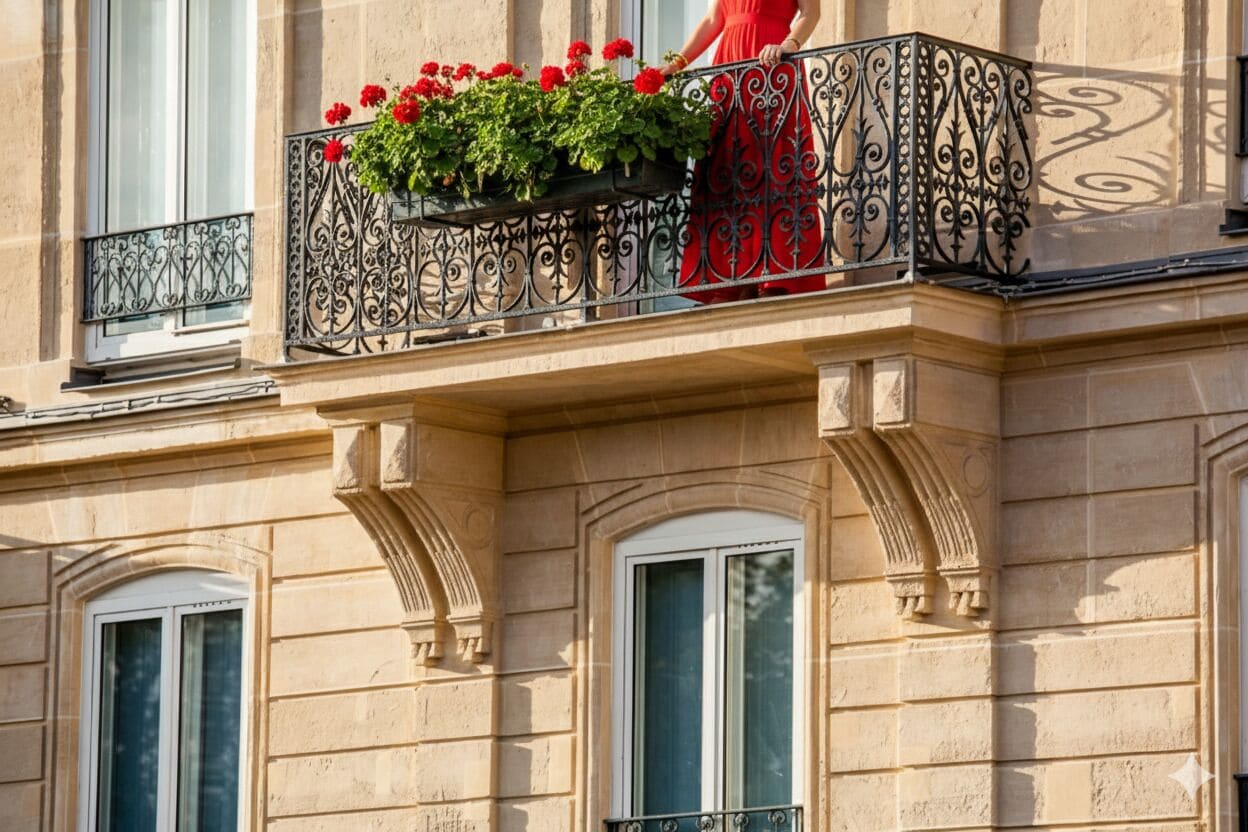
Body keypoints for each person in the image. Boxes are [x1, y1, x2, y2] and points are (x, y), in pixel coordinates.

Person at [662, 0, 826, 303]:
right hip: (730, 66)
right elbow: (715, 19)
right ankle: (729, 279)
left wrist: (789, 43)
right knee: (727, 165)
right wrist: (677, 64)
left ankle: (770, 274)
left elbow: (810, 12)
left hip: (772, 62)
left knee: (772, 163)